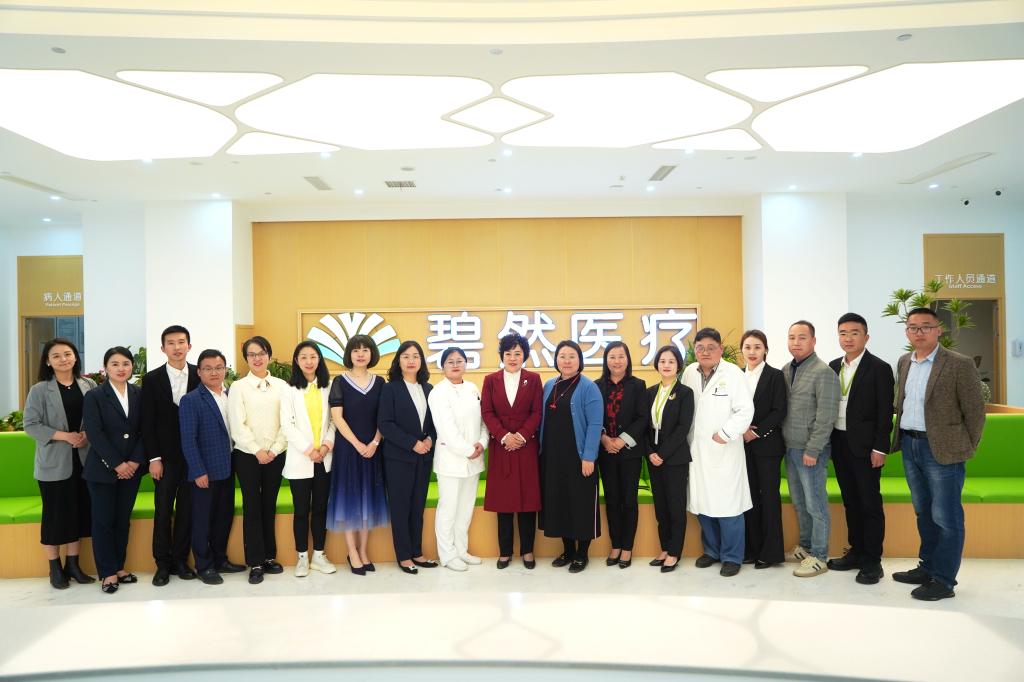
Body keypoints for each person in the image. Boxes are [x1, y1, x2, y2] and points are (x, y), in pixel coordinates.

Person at [891, 307, 985, 601]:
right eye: (913, 327)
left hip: (943, 450)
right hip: (910, 445)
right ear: (907, 332)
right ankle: (928, 567)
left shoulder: (958, 363)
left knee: (947, 517)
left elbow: (975, 412)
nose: (919, 332)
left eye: (925, 327)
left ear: (938, 330)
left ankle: (944, 580)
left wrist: (964, 446)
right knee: (924, 511)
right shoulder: (904, 362)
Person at [23, 338, 97, 589]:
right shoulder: (39, 390)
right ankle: (54, 567)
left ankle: (73, 565)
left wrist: (86, 435)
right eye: (56, 356)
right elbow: (31, 425)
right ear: (47, 361)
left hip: (84, 461)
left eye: (68, 354)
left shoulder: (88, 385)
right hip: (54, 464)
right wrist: (66, 436)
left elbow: (96, 419)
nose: (63, 359)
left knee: (78, 514)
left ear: (75, 357)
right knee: (55, 518)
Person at [827, 313, 895, 585]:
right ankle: (856, 551)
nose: (848, 338)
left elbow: (885, 413)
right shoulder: (833, 366)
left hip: (866, 447)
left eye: (854, 333)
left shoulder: (879, 368)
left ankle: (872, 561)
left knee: (869, 503)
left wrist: (880, 447)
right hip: (839, 443)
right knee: (850, 501)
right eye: (843, 333)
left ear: (866, 337)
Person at [683, 329, 755, 578]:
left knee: (729, 507)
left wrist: (725, 434)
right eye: (700, 347)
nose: (705, 352)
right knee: (704, 504)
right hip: (697, 450)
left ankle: (732, 557)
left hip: (724, 449)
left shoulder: (733, 373)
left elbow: (745, 410)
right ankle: (712, 551)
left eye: (711, 347)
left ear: (721, 349)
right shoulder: (689, 372)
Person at [81, 347, 146, 594]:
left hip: (132, 470)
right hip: (103, 470)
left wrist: (135, 462)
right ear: (106, 368)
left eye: (126, 364)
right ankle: (107, 572)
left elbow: (145, 430)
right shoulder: (95, 396)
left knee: (122, 520)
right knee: (103, 522)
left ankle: (119, 567)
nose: (121, 368)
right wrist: (118, 464)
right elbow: (95, 434)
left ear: (132, 367)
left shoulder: (139, 393)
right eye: (115, 364)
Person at [141, 324, 200, 586]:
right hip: (164, 459)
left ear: (189, 345)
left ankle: (180, 560)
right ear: (163, 348)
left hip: (192, 458)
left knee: (187, 511)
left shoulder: (200, 374)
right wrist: (154, 458)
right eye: (171, 343)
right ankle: (162, 564)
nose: (177, 347)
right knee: (163, 511)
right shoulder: (152, 379)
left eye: (181, 342)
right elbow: (147, 422)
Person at [180, 349, 244, 585]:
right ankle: (204, 565)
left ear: (225, 369)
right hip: (205, 471)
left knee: (223, 518)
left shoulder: (231, 395)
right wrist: (198, 471)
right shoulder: (191, 400)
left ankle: (220, 560)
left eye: (219, 368)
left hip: (228, 467)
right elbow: (188, 440)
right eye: (208, 368)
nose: (214, 373)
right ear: (199, 372)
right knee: (202, 521)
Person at [228, 335, 288, 585]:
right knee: (252, 506)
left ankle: (269, 556)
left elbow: (287, 421)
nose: (257, 358)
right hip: (247, 456)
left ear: (269, 356)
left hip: (276, 455)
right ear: (246, 358)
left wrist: (275, 449)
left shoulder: (282, 386)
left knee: (269, 505)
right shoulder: (238, 387)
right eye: (252, 354)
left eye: (262, 353)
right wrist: (257, 450)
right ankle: (255, 562)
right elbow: (237, 425)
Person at [782, 320, 841, 578]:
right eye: (792, 337)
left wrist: (813, 449)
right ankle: (805, 547)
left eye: (802, 337)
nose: (796, 342)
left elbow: (827, 416)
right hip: (790, 448)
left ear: (814, 341)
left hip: (810, 451)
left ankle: (819, 555)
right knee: (799, 502)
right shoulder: (786, 369)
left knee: (816, 504)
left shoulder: (823, 372)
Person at [539, 340, 603, 573]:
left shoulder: (588, 387)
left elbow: (595, 425)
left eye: (572, 356)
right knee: (559, 504)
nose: (566, 361)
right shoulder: (549, 385)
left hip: (579, 458)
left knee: (580, 505)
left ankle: (581, 554)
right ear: (556, 360)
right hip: (552, 458)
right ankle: (567, 550)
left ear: (580, 360)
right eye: (562, 356)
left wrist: (589, 457)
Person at [327, 334, 388, 576]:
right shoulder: (339, 382)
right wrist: (357, 444)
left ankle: (363, 551)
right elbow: (337, 418)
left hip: (373, 449)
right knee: (350, 501)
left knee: (369, 501)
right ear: (349, 354)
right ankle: (352, 552)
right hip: (348, 450)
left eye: (365, 350)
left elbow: (384, 417)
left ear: (372, 353)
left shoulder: (380, 382)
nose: (360, 354)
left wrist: (374, 442)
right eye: (355, 350)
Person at [481, 332, 543, 570]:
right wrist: (504, 436)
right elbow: (487, 412)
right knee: (503, 503)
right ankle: (505, 552)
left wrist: (522, 436)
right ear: (502, 356)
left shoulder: (533, 379)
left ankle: (527, 551)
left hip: (526, 448)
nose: (513, 358)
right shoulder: (491, 380)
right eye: (508, 353)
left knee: (528, 503)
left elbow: (537, 412)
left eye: (518, 353)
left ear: (524, 355)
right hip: (502, 447)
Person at [379, 340, 437, 574]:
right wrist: (413, 444)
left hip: (424, 458)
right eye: (406, 356)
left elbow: (435, 423)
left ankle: (417, 552)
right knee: (401, 508)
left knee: (417, 506)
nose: (411, 361)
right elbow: (385, 424)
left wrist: (430, 439)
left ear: (421, 361)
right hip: (398, 458)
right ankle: (404, 556)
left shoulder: (429, 389)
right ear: (398, 361)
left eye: (415, 356)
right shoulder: (390, 388)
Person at [280, 341, 337, 577]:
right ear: (297, 361)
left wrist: (326, 445)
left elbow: (334, 421)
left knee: (321, 509)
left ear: (319, 359)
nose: (309, 361)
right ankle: (302, 557)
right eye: (303, 357)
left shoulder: (329, 387)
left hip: (324, 458)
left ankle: (319, 556)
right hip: (301, 460)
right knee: (302, 510)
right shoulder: (289, 389)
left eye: (313, 356)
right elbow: (287, 425)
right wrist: (309, 450)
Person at [427, 347, 488, 572]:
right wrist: (467, 449)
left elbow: (483, 422)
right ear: (443, 366)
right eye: (450, 361)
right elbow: (446, 429)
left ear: (465, 364)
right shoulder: (438, 392)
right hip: (450, 460)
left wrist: (482, 443)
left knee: (465, 509)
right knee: (448, 509)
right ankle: (447, 554)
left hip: (474, 459)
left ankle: (461, 550)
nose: (455, 365)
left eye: (459, 360)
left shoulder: (472, 388)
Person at [596, 342, 648, 569]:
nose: (616, 361)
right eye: (612, 357)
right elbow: (593, 417)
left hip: (629, 453)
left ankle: (627, 548)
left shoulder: (638, 385)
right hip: (605, 452)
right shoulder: (597, 386)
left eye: (621, 356)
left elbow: (642, 418)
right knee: (612, 500)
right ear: (606, 360)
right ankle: (615, 545)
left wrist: (621, 440)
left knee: (628, 501)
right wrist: (604, 439)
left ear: (627, 359)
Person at [645, 344, 695, 573]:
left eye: (671, 361)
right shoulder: (649, 392)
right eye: (663, 361)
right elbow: (644, 426)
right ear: (657, 364)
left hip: (675, 459)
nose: (666, 365)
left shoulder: (685, 393)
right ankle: (665, 548)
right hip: (653, 457)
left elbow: (683, 427)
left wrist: (662, 454)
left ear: (678, 366)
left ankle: (674, 552)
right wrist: (650, 452)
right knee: (661, 508)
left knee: (675, 507)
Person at [739, 330, 787, 569]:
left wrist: (755, 432)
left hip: (767, 446)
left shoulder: (775, 376)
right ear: (742, 350)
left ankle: (770, 553)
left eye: (757, 347)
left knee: (768, 498)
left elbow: (779, 410)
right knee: (748, 498)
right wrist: (741, 430)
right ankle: (752, 549)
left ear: (765, 350)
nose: (752, 352)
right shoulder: (736, 376)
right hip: (741, 447)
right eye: (747, 347)